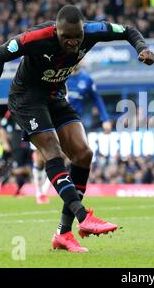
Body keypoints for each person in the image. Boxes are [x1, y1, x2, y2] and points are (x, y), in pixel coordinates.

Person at [0, 5, 154, 253]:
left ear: (83, 30)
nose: (72, 43)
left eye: (77, 37)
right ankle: (84, 217)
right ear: (56, 31)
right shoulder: (36, 37)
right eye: (66, 37)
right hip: (26, 99)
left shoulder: (93, 31)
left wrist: (142, 48)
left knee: (84, 154)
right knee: (53, 151)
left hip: (56, 96)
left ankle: (63, 234)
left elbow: (128, 30)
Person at [32, 64, 113, 205]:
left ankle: (44, 192)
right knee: (41, 158)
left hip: (71, 123)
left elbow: (97, 99)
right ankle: (38, 190)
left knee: (61, 156)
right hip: (51, 118)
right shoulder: (61, 75)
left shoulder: (86, 80)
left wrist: (105, 119)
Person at [0, 110, 32, 197]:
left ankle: (7, 178)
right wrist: (4, 142)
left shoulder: (31, 107)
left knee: (27, 169)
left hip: (30, 143)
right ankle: (4, 180)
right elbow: (2, 127)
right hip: (17, 144)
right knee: (20, 168)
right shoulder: (12, 110)